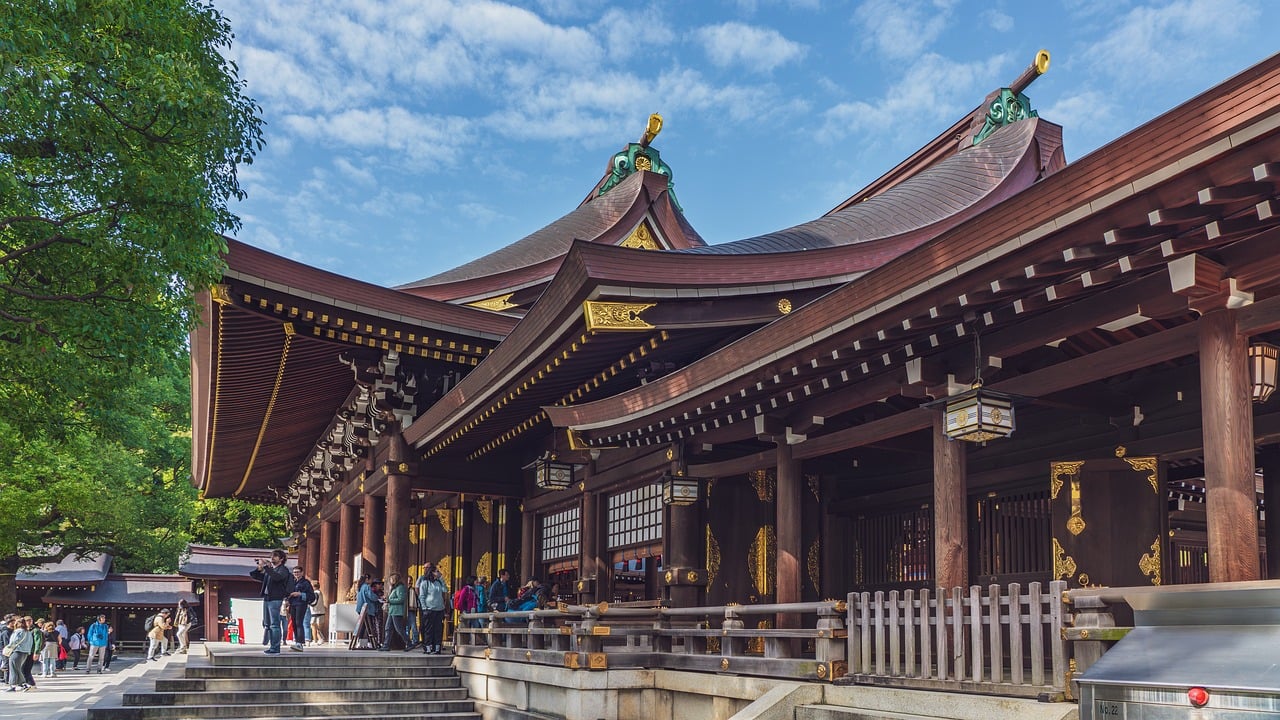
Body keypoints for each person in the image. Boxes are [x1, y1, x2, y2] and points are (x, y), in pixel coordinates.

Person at [249, 548, 292, 655]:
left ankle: (275, 647)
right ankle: (272, 646)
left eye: (275, 556)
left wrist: (267, 568)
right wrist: (259, 568)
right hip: (267, 598)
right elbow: (256, 576)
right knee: (268, 624)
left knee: (274, 624)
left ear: (281, 559)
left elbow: (277, 578)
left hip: (276, 598)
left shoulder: (283, 570)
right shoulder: (271, 570)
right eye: (271, 556)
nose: (272, 558)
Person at [417, 567, 450, 654]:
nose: (438, 572)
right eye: (437, 571)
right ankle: (428, 647)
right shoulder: (425, 583)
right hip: (429, 609)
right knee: (428, 629)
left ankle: (437, 647)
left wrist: (441, 579)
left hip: (439, 609)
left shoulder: (438, 582)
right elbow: (422, 596)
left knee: (438, 629)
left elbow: (445, 590)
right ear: (431, 572)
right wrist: (424, 608)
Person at [286, 565, 315, 652]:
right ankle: (297, 642)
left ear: (302, 573)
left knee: (299, 622)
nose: (296, 574)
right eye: (295, 572)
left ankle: (300, 643)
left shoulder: (306, 583)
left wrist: (300, 594)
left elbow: (312, 596)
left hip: (301, 604)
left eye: (298, 572)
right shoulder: (292, 582)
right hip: (293, 604)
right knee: (294, 623)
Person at [379, 572, 411, 651]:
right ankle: (386, 645)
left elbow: (401, 599)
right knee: (388, 628)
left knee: (399, 629)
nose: (390, 580)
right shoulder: (394, 588)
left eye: (391, 579)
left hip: (397, 611)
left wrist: (390, 600)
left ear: (395, 580)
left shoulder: (400, 587)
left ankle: (409, 642)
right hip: (392, 610)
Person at [4, 616, 34, 692]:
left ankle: (15, 685)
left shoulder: (17, 631)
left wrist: (8, 647)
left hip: (17, 651)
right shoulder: (28, 632)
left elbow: (13, 641)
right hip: (25, 652)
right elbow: (31, 643)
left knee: (13, 668)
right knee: (18, 668)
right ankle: (22, 684)